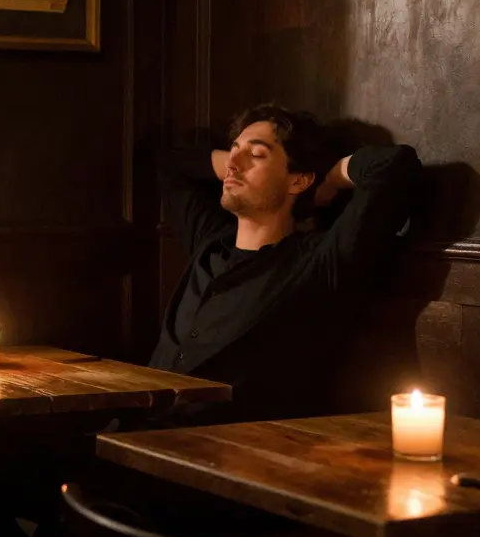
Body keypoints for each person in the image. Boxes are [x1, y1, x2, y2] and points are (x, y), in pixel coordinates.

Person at [151, 104, 424, 424]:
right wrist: (237, 162)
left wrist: (330, 178)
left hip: (215, 444)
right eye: (233, 150)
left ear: (298, 181)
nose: (233, 164)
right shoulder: (209, 241)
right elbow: (171, 163)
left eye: (257, 154)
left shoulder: (317, 262)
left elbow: (394, 165)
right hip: (133, 427)